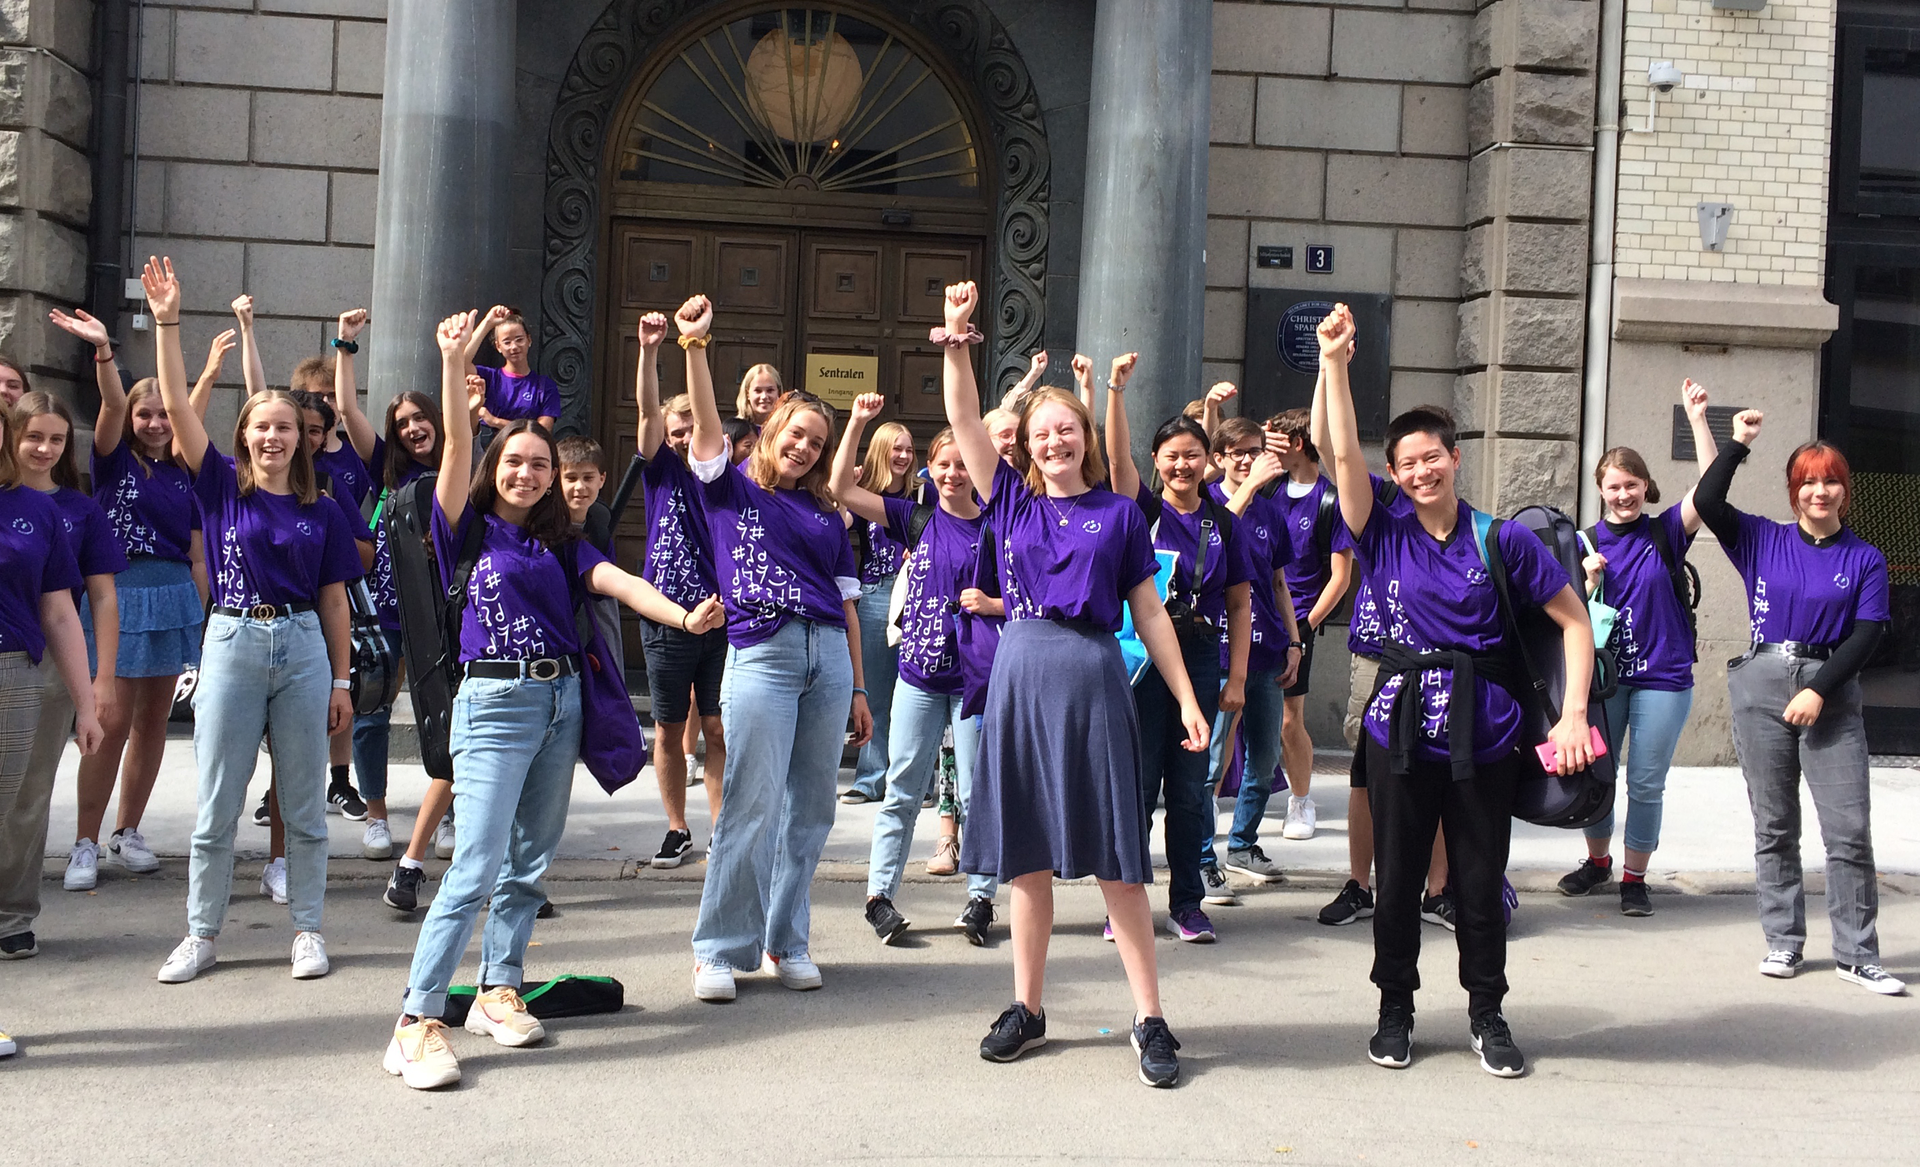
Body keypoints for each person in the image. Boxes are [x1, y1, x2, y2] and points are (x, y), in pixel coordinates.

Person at [384, 309, 722, 1090]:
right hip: (494, 702)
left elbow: (617, 581)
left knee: (526, 864)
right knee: (473, 866)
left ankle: (498, 988)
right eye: (517, 461)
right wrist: (452, 363)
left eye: (540, 464)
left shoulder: (560, 541)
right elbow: (460, 445)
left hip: (558, 701)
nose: (529, 473)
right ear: (493, 466)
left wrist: (681, 613)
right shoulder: (461, 529)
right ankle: (415, 1021)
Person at [1319, 301, 1597, 1078]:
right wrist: (1336, 366)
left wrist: (1572, 714)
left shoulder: (1500, 538)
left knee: (1478, 881)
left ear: (1454, 458)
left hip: (1488, 731)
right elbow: (1343, 460)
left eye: (1429, 458)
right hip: (1400, 729)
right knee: (1398, 880)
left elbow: (1576, 623)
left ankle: (1487, 1010)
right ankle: (1395, 1009)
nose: (1418, 471)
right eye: (1404, 462)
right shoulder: (1379, 528)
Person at [940, 280, 1204, 1089]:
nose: (1054, 441)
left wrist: (1189, 698)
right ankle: (1028, 1006)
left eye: (1066, 430)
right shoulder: (1010, 501)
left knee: (1118, 862)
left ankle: (1151, 1017)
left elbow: (1153, 616)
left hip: (1093, 677)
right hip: (1020, 673)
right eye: (1041, 432)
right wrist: (957, 341)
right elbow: (960, 420)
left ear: (1085, 436)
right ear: (1025, 444)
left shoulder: (1122, 513)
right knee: (1026, 860)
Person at [140, 257, 363, 986]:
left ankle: (306, 927)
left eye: (285, 428)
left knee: (302, 801)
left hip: (301, 643)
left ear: (303, 437)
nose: (273, 437)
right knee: (217, 801)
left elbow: (335, 600)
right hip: (233, 637)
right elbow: (177, 407)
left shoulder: (322, 508)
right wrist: (169, 323)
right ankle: (202, 931)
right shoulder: (218, 488)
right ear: (243, 434)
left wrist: (342, 676)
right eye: (261, 426)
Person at [676, 293, 872, 1003]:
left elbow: (847, 601)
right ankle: (719, 949)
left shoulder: (827, 511)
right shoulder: (727, 488)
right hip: (763, 650)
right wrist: (695, 347)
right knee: (750, 804)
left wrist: (856, 686)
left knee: (812, 807)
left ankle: (785, 938)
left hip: (827, 656)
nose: (804, 447)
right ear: (769, 429)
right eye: (796, 433)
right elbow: (701, 425)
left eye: (817, 442)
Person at [1692, 409, 1903, 995]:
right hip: (1761, 680)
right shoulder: (1763, 538)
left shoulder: (1864, 558)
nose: (1819, 490)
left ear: (1844, 490)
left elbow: (1867, 634)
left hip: (1829, 687)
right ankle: (1783, 942)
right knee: (1775, 823)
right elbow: (1708, 501)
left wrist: (1818, 688)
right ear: (1794, 490)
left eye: (1830, 479)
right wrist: (1737, 444)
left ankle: (1858, 954)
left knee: (1849, 830)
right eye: (1808, 480)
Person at [49, 308, 216, 890]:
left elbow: (197, 555)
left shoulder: (189, 476)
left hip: (173, 596)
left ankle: (129, 831)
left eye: (162, 413)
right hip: (119, 593)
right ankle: (85, 842)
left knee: (152, 722)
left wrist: (200, 618)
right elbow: (113, 406)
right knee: (109, 719)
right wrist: (103, 353)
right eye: (145, 414)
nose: (153, 422)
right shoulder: (112, 458)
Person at [833, 394, 999, 946]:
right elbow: (842, 491)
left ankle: (981, 897)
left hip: (977, 678)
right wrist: (857, 424)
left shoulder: (1000, 527)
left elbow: (1032, 597)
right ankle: (879, 896)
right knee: (902, 787)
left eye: (962, 464)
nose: (953, 474)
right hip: (920, 675)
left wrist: (991, 605)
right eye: (943, 464)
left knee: (977, 792)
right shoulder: (916, 516)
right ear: (932, 468)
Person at [1557, 380, 1717, 915]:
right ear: (1600, 490)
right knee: (1598, 774)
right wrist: (1583, 580)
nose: (1622, 495)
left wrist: (1698, 419)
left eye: (1632, 485)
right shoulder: (1583, 543)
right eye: (1613, 486)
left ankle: (1633, 877)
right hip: (1604, 678)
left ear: (1646, 487)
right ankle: (1598, 863)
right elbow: (1558, 614)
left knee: (1646, 783)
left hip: (1664, 678)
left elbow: (1712, 489)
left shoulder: (1667, 532)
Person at [1107, 378, 1254, 944]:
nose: (1182, 465)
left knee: (1191, 789)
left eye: (1192, 454)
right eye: (1171, 456)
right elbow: (1116, 458)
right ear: (1157, 463)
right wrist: (1115, 392)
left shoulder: (1225, 524)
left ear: (1207, 460)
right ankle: (1125, 903)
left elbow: (1240, 603)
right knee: (1139, 786)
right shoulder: (1141, 510)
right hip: (1142, 656)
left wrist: (1236, 676)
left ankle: (1187, 903)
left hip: (1198, 652)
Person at [0, 393, 123, 958]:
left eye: (56, 439)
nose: (44, 449)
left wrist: (88, 697)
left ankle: (11, 916)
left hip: (20, 672)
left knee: (21, 801)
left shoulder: (46, 510)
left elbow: (63, 610)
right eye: (34, 437)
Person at [633, 314, 729, 868]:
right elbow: (647, 410)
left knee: (718, 724)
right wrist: (649, 351)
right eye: (677, 432)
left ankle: (720, 825)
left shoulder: (724, 476)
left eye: (694, 428)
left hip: (721, 619)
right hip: (668, 616)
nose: (685, 439)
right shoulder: (660, 471)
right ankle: (677, 826)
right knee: (670, 728)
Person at [1199, 417, 1302, 899]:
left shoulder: (1272, 514)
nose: (1247, 459)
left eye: (1254, 450)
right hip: (1218, 652)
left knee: (1263, 759)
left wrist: (1295, 640)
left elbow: (1280, 582)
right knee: (1212, 761)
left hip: (1268, 651)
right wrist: (1252, 484)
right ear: (1218, 458)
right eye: (1237, 451)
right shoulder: (1209, 505)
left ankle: (1242, 844)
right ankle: (1200, 856)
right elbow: (1215, 539)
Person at [375, 390, 459, 911]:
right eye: (401, 422)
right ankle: (410, 864)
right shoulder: (399, 486)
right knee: (453, 751)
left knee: (468, 757)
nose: (412, 428)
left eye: (420, 417)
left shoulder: (473, 484)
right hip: (427, 629)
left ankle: (510, 877)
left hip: (475, 629)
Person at [1267, 406, 1353, 841]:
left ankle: (1300, 801)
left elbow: (1340, 576)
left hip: (1297, 618)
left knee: (1289, 716)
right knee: (1233, 706)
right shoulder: (1266, 490)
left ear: (1297, 444)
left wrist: (1306, 625)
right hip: (1255, 612)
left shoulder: (1331, 500)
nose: (1268, 449)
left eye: (1277, 440)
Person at [839, 417, 917, 805]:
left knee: (917, 692)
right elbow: (837, 523)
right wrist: (843, 491)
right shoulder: (863, 494)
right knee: (876, 693)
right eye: (895, 448)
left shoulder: (925, 495)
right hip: (872, 597)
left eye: (908, 449)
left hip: (917, 597)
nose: (902, 456)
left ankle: (916, 782)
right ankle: (870, 778)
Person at [463, 304, 561, 442]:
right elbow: (461, 362)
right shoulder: (490, 378)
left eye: (519, 339)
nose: (514, 347)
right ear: (498, 346)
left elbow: (542, 431)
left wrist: (495, 421)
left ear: (529, 340)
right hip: (489, 451)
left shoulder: (545, 386)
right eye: (507, 342)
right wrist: (487, 323)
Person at [735, 363, 782, 430]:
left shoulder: (786, 428)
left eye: (770, 390)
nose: (764, 396)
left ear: (778, 392)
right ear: (747, 393)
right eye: (758, 391)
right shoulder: (735, 429)